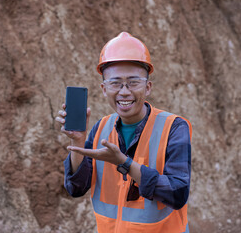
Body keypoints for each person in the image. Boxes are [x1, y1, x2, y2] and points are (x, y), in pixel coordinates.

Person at [55, 32, 192, 233]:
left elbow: (178, 194)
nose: (124, 91)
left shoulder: (174, 127)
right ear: (104, 89)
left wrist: (124, 163)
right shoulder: (101, 128)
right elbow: (76, 188)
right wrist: (78, 142)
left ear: (148, 87)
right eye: (115, 83)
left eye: (133, 82)